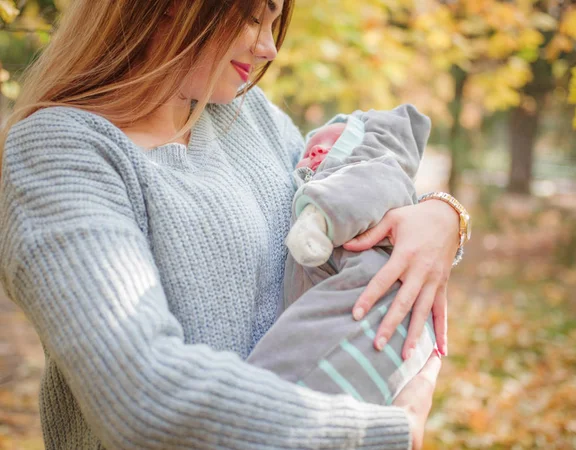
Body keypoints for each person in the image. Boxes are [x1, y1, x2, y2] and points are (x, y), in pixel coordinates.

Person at [0, 1, 467, 449]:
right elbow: (142, 395)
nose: (269, 48)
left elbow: (345, 207)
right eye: (251, 19)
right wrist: (388, 432)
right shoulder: (59, 151)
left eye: (274, 22)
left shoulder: (248, 116)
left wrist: (442, 215)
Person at [248, 105, 438, 404]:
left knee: (269, 389)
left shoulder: (372, 173)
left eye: (333, 142)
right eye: (310, 147)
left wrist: (321, 217)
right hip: (346, 349)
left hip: (377, 315)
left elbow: (372, 183)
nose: (315, 150)